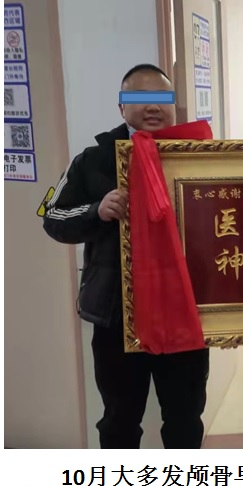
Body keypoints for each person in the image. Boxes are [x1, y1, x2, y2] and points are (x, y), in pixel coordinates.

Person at [43, 64, 210, 449]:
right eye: (139, 98)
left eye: (162, 98)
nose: (153, 107)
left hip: (185, 315)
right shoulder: (93, 160)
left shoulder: (199, 156)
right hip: (118, 318)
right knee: (119, 421)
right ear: (121, 107)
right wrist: (95, 211)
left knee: (185, 419)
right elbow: (52, 218)